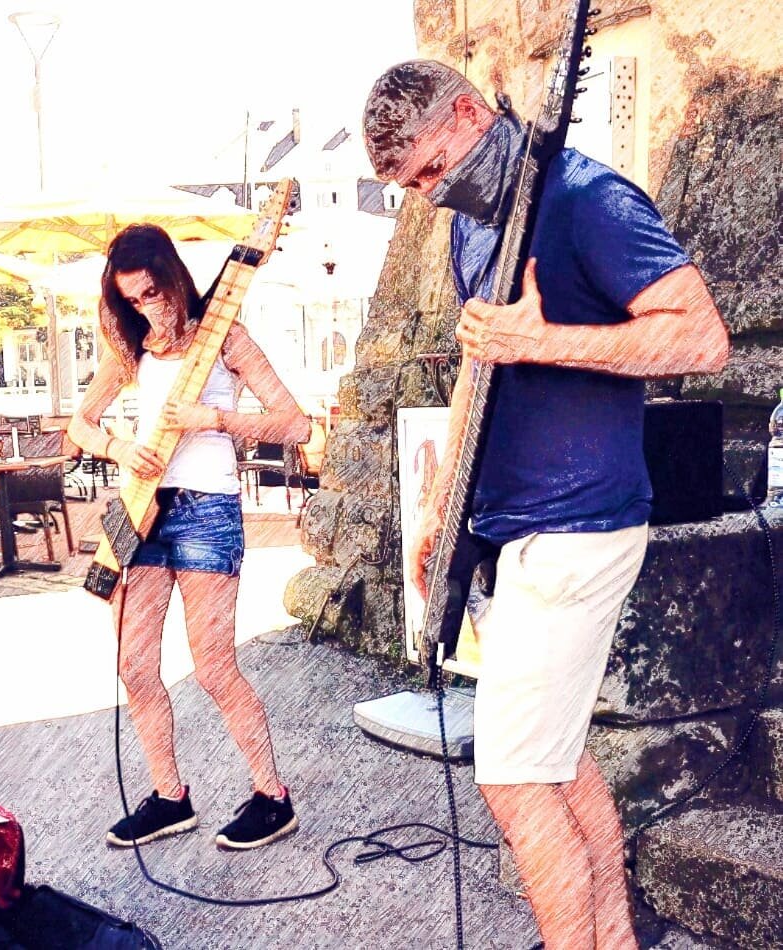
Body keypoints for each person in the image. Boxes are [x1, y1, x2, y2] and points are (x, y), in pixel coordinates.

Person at [363, 61, 729, 949]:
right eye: (409, 185)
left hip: (577, 529)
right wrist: (443, 516)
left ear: (466, 111)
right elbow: (478, 371)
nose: (426, 194)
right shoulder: (471, 229)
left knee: (513, 780)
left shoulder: (586, 197)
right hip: (510, 531)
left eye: (427, 169)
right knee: (553, 765)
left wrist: (546, 339)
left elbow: (701, 336)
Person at [68, 224, 310, 851]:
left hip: (206, 510)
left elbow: (296, 424)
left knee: (213, 667)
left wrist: (216, 420)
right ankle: (170, 796)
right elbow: (79, 424)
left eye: (153, 292)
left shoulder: (223, 336)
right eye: (132, 300)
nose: (147, 307)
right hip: (138, 511)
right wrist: (119, 445)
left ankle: (271, 795)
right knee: (134, 665)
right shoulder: (131, 349)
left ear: (174, 277)